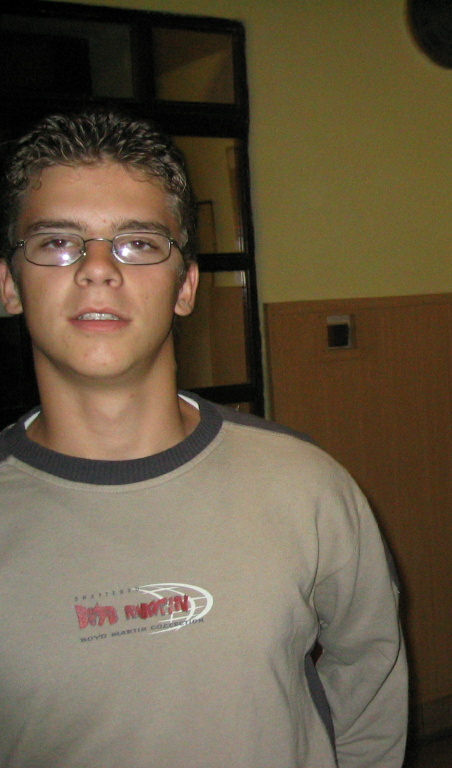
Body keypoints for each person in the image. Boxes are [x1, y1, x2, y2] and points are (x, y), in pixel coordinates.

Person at [0, 110, 407, 768]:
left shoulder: (305, 485)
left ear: (186, 286)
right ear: (9, 285)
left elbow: (370, 674)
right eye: (57, 242)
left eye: (138, 243)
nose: (98, 268)